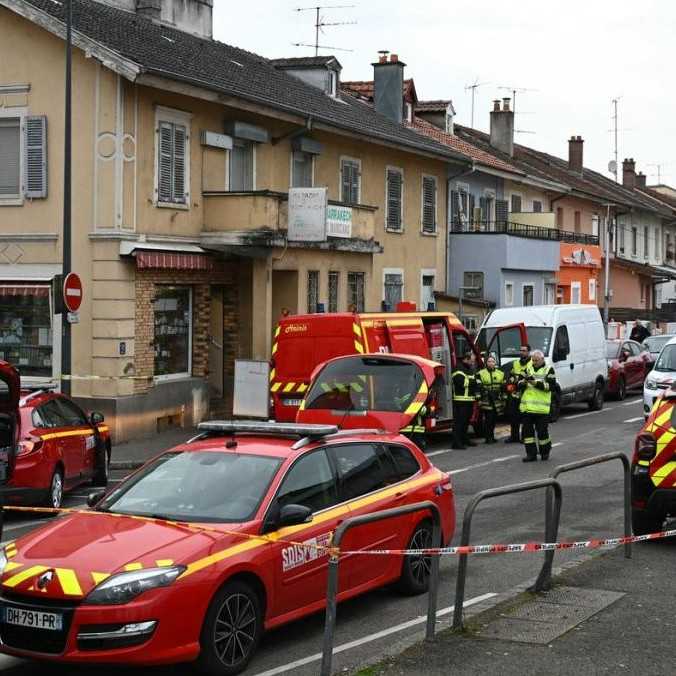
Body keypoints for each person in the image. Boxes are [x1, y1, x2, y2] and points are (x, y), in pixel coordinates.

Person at [519, 349, 557, 462]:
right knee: (528, 434)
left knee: (542, 432)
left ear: (542, 359)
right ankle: (531, 454)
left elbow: (551, 387)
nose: (534, 362)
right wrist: (524, 382)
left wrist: (535, 383)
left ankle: (545, 451)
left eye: (536, 360)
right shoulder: (528, 368)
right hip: (527, 408)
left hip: (542, 409)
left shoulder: (548, 369)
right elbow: (519, 382)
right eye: (533, 360)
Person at [504, 344, 532, 443]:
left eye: (524, 350)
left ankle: (524, 437)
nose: (522, 352)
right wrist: (511, 380)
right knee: (513, 416)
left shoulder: (531, 364)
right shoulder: (516, 363)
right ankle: (514, 436)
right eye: (521, 350)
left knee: (525, 417)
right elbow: (511, 375)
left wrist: (518, 381)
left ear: (528, 352)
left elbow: (529, 378)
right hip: (515, 393)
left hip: (526, 393)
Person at [452, 351, 479, 449]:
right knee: (459, 423)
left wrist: (474, 382)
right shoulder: (458, 369)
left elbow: (473, 382)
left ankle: (464, 439)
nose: (473, 363)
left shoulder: (468, 369)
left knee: (466, 422)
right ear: (466, 359)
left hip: (469, 400)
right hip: (460, 401)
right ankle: (456, 443)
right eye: (472, 361)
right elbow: (462, 383)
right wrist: (474, 381)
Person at [476, 355, 505, 444]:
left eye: (492, 361)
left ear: (495, 363)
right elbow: (478, 387)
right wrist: (479, 399)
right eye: (489, 361)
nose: (491, 363)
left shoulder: (501, 373)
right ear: (486, 363)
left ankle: (491, 436)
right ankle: (488, 437)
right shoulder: (480, 373)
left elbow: (503, 387)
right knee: (488, 419)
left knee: (493, 420)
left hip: (496, 400)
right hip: (486, 400)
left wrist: (504, 399)